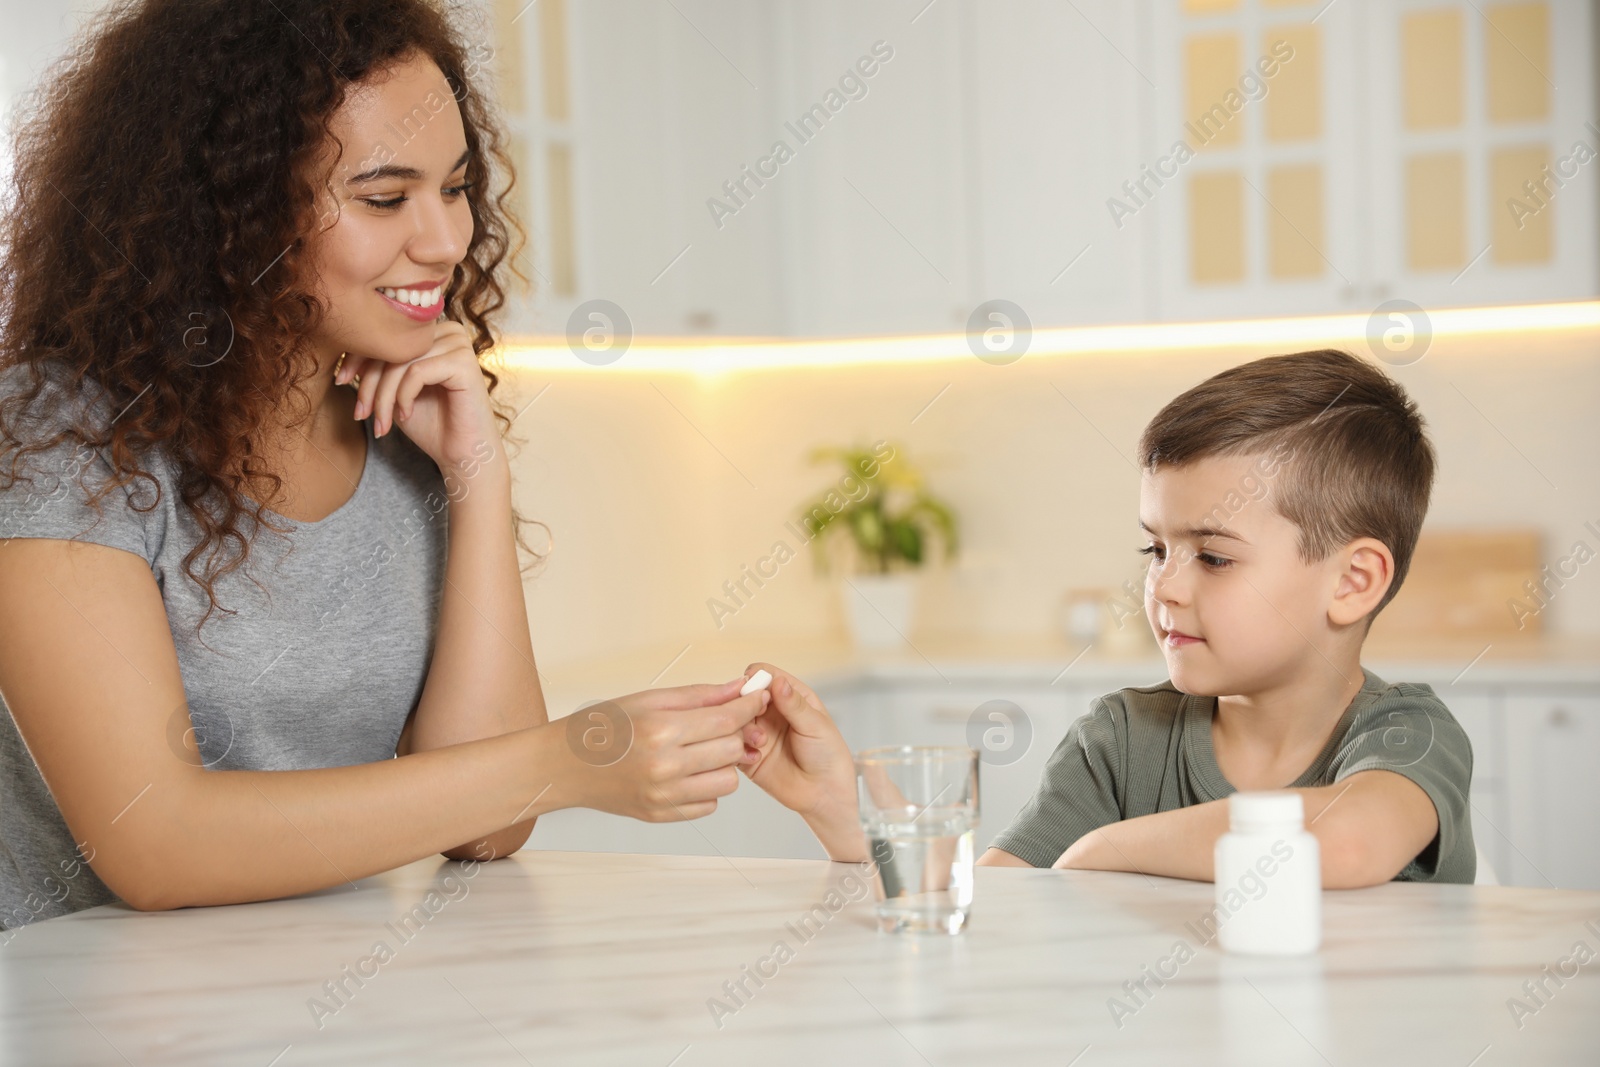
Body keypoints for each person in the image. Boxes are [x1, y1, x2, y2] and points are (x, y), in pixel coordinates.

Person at [0, 0, 767, 929]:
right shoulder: (65, 434)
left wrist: (477, 480)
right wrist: (569, 760)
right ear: (228, 214)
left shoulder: (400, 430)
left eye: (455, 187)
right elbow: (153, 840)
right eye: (382, 198)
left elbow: (490, 830)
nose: (445, 240)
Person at [740, 349, 1477, 886]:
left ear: (1353, 581)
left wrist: (1102, 849)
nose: (1163, 587)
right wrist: (846, 807)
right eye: (1157, 547)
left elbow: (1345, 842)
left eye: (1214, 557)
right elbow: (993, 907)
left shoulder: (1406, 733)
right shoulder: (1120, 739)